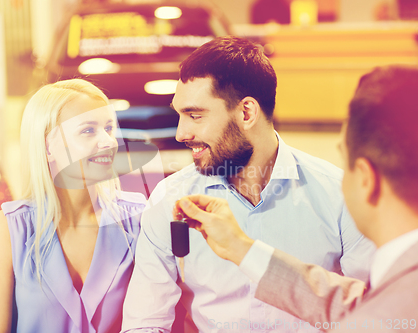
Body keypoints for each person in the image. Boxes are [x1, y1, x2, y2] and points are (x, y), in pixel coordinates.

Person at [121, 36, 375, 332]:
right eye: (180, 114)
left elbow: (373, 310)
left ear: (246, 113)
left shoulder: (338, 195)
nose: (181, 133)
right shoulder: (170, 199)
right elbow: (145, 322)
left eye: (195, 115)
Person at [174, 65, 418, 331]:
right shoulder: (400, 290)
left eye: (345, 161)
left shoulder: (388, 312)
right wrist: (241, 247)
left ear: (365, 179)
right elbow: (350, 304)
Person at [0, 79, 146, 333]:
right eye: (88, 130)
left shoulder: (139, 218)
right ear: (48, 146)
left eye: (109, 128)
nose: (109, 142)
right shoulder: (8, 229)